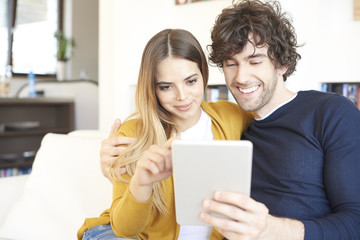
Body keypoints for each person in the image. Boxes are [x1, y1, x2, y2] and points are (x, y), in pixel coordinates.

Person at [100, 0, 360, 239]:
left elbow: (355, 221)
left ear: (282, 63)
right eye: (231, 63)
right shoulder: (237, 121)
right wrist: (116, 163)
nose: (241, 77)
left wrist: (272, 229)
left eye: (255, 61)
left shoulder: (331, 112)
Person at [77, 28, 252, 240]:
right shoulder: (132, 133)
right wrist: (142, 183)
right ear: (153, 88)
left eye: (191, 81)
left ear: (203, 74)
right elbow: (124, 230)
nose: (182, 96)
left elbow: (276, 118)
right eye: (166, 87)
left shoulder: (232, 116)